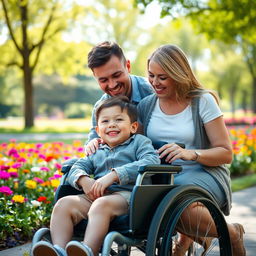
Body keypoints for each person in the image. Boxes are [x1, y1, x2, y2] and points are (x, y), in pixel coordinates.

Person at [137, 44, 246, 256]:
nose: (155, 83)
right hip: (163, 176)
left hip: (204, 172)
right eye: (151, 75)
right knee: (151, 196)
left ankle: (230, 234)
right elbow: (138, 147)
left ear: (178, 74)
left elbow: (226, 153)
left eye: (163, 77)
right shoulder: (146, 106)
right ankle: (192, 239)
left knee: (172, 198)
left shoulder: (202, 101)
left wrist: (192, 153)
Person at [31, 96, 160, 256]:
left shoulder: (139, 142)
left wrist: (114, 175)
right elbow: (78, 166)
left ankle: (88, 250)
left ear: (133, 127)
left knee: (101, 205)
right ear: (98, 130)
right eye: (105, 121)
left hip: (129, 197)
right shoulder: (97, 148)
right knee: (64, 204)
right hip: (97, 196)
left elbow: (151, 159)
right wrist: (82, 180)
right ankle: (59, 250)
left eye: (119, 119)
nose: (112, 124)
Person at [85, 41, 153, 155]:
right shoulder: (100, 107)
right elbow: (92, 144)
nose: (112, 85)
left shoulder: (152, 93)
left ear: (128, 66)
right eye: (103, 80)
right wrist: (92, 144)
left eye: (116, 75)